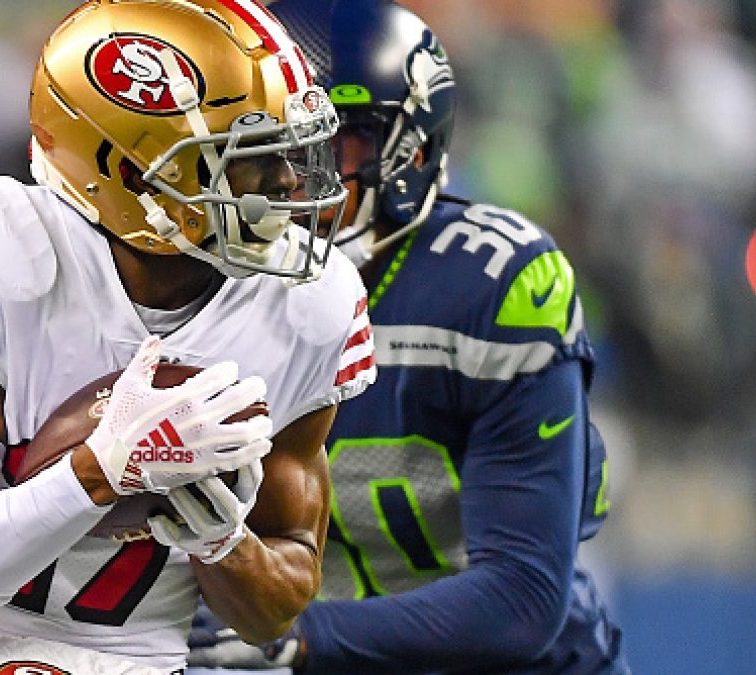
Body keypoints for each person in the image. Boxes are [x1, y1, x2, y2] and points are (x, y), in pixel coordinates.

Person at [0, 1, 376, 673]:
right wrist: (98, 470)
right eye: (243, 160)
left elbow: (274, 608)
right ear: (135, 179)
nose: (286, 183)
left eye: (286, 148)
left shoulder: (308, 305)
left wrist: (224, 538)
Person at [187, 0, 629, 672]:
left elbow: (522, 597)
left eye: (329, 147)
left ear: (410, 151)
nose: (289, 182)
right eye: (267, 148)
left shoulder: (492, 285)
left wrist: (303, 638)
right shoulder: (197, 285)